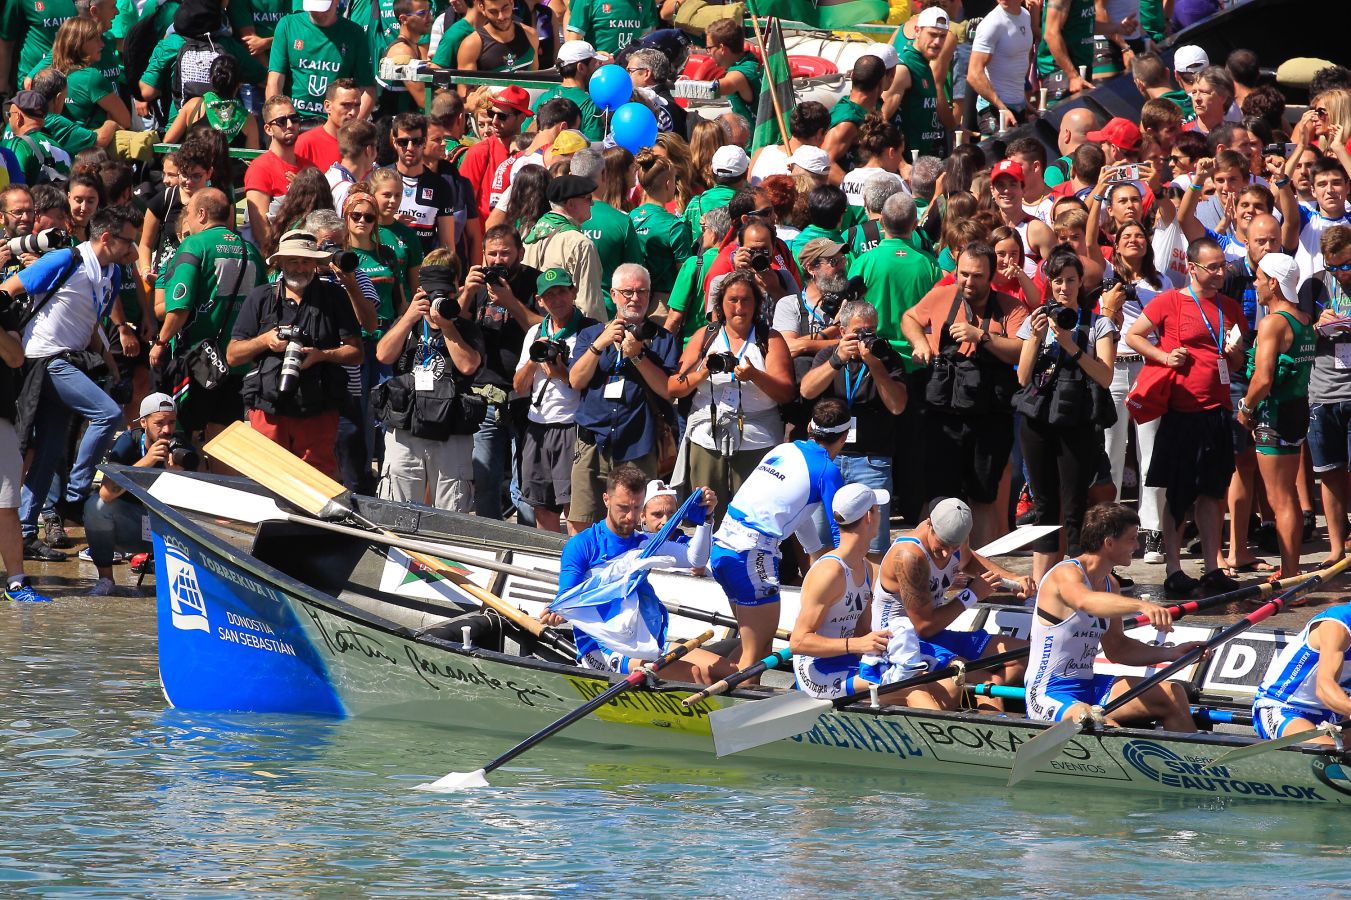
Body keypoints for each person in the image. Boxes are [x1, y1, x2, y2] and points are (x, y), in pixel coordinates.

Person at [1, 205, 139, 561]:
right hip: (43, 360)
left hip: (69, 358)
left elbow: (90, 325)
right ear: (106, 238)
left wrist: (112, 366)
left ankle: (28, 531)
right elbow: (8, 290)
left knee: (49, 450)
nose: (135, 252)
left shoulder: (108, 273)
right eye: (129, 243)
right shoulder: (66, 259)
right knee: (108, 415)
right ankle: (76, 496)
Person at [1125, 237, 1249, 595]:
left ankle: (1212, 567)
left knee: (1212, 492)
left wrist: (1235, 353)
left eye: (1223, 266)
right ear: (1192, 268)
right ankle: (1174, 569)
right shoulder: (1170, 301)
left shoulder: (1229, 306)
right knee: (1178, 493)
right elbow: (1134, 336)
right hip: (1182, 410)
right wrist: (1164, 357)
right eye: (1213, 267)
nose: (1221, 273)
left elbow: (1237, 363)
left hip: (1218, 411)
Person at [541, 464, 732, 683]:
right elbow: (567, 597)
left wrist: (707, 519)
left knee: (727, 672)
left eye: (637, 508)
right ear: (606, 499)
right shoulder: (582, 545)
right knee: (693, 675)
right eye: (623, 507)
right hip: (599, 648)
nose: (631, 517)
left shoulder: (646, 544)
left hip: (642, 640)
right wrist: (557, 611)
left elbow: (695, 559)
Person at [1025, 502, 1202, 728]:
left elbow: (1118, 649)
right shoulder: (1065, 573)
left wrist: (1171, 653)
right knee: (1098, 723)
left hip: (1089, 687)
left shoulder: (1111, 584)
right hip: (1047, 694)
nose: (1137, 546)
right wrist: (1142, 606)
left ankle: (1191, 763)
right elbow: (1085, 601)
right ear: (1109, 543)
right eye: (1131, 539)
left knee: (1173, 694)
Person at [710, 398, 850, 676]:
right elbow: (842, 534)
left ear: (810, 427)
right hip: (752, 556)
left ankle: (721, 694)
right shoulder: (827, 470)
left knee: (753, 646)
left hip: (723, 548)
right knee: (758, 653)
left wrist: (814, 556)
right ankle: (735, 708)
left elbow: (798, 512)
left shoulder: (784, 449)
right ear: (845, 437)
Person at [902, 243, 1027, 548]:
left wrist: (982, 336)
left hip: (989, 420)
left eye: (977, 276)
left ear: (991, 276)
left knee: (982, 497)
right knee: (937, 495)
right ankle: (925, 563)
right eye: (964, 275)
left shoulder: (1011, 308)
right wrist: (919, 342)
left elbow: (1022, 350)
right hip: (942, 416)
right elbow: (909, 318)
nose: (969, 282)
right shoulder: (942, 295)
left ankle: (980, 571)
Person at [1015, 247, 1118, 583]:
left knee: (1075, 507)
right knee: (1044, 505)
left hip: (1078, 421)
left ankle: (1077, 582)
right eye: (1057, 281)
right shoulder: (1038, 319)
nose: (1064, 288)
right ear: (1048, 283)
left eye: (1070, 281)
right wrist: (1036, 335)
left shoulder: (1097, 322)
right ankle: (1043, 585)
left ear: (1080, 283)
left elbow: (1105, 377)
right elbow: (1022, 377)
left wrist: (1071, 345)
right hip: (1039, 421)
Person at [226, 230, 364, 476]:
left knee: (317, 482)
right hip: (269, 408)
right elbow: (233, 355)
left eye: (306, 261)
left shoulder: (333, 296)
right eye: (293, 260)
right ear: (279, 262)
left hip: (319, 409)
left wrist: (322, 355)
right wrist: (265, 341)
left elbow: (356, 353)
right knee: (266, 478)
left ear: (315, 262)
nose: (300, 268)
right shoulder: (261, 297)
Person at [873, 497, 1031, 710]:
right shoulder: (909, 557)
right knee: (988, 684)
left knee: (1024, 655)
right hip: (903, 642)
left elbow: (968, 559)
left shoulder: (954, 537)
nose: (948, 553)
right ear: (929, 524)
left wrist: (1010, 578)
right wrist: (971, 595)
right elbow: (925, 627)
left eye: (954, 546)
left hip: (936, 634)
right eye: (942, 546)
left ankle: (972, 693)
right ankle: (981, 702)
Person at [668, 271, 794, 526]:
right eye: (732, 300)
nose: (739, 307)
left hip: (756, 439)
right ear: (720, 304)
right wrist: (703, 370)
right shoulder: (706, 335)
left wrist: (754, 375)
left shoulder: (768, 338)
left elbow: (786, 392)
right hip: (707, 438)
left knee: (753, 517)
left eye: (746, 300)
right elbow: (674, 387)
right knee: (705, 515)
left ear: (757, 303)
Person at [567, 263, 677, 529]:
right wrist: (600, 344)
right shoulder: (591, 333)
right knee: (581, 521)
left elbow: (667, 390)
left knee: (635, 521)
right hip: (593, 443)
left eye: (642, 292)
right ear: (613, 294)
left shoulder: (662, 339)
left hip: (637, 444)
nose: (635, 298)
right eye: (628, 292)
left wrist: (638, 355)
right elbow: (575, 380)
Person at [149, 189, 265, 438]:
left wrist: (160, 342)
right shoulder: (251, 251)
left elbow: (180, 306)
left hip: (197, 360)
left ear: (201, 214)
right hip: (236, 363)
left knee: (184, 434)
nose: (188, 220)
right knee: (222, 438)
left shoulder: (195, 244)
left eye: (189, 213)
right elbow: (263, 308)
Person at [800, 300, 908, 559]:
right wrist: (837, 360)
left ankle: (871, 597)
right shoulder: (828, 356)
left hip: (871, 461)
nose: (865, 339)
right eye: (858, 333)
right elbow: (806, 390)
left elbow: (897, 406)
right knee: (821, 539)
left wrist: (875, 364)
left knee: (872, 545)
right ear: (842, 332)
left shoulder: (886, 357)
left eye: (871, 331)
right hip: (828, 460)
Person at [372, 259, 484, 510]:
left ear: (454, 296)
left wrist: (447, 327)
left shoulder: (465, 328)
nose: (437, 302)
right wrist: (409, 317)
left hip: (451, 432)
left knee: (452, 512)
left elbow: (468, 366)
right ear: (420, 294)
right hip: (407, 430)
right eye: (433, 295)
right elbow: (382, 355)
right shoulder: (407, 324)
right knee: (396, 508)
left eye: (445, 295)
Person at [1236, 253, 1316, 581]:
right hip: (1297, 412)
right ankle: (1291, 566)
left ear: (1273, 282)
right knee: (1289, 496)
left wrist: (1245, 409)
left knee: (1280, 497)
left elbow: (1263, 379)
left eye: (1258, 278)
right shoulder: (1304, 319)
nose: (1254, 284)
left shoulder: (1272, 323)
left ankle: (1291, 572)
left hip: (1275, 414)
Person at [458, 224, 541, 519]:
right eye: (491, 254)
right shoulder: (478, 282)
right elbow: (452, 326)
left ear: (520, 252)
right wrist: (467, 292)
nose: (498, 260)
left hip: (526, 396)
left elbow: (543, 327)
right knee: (485, 480)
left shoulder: (534, 281)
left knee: (527, 486)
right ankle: (488, 544)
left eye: (505, 253)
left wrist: (510, 302)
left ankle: (528, 547)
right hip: (484, 395)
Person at [84, 393, 199, 596]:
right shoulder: (128, 442)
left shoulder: (181, 447)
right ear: (144, 422)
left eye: (172, 422)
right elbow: (105, 494)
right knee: (96, 507)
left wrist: (176, 477)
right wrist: (146, 463)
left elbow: (198, 507)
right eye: (159, 423)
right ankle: (106, 579)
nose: (167, 430)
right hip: (131, 525)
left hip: (165, 529)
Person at [790, 484, 896, 700]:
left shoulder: (864, 567)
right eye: (878, 509)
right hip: (815, 670)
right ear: (869, 516)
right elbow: (798, 642)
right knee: (905, 688)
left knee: (922, 676)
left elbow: (863, 631)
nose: (880, 515)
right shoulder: (830, 572)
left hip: (843, 660)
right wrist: (856, 644)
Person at [514, 267, 597, 533]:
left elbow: (585, 383)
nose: (557, 300)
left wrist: (561, 372)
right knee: (542, 509)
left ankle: (576, 568)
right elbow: (519, 386)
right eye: (549, 295)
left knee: (575, 511)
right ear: (539, 300)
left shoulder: (590, 331)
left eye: (562, 292)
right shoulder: (534, 333)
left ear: (573, 292)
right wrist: (535, 357)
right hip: (537, 426)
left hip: (571, 428)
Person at [851, 194, 942, 367]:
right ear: (915, 225)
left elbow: (849, 310)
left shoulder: (863, 262)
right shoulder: (929, 264)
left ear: (882, 223)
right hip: (918, 358)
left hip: (875, 358)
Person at [1307, 226, 1351, 566]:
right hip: (1324, 391)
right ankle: (1337, 548)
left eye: (1346, 264)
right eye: (1333, 266)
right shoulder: (1315, 284)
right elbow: (1296, 331)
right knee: (1330, 472)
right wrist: (1315, 324)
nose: (1340, 272)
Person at [0, 286, 47, 601]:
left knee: (6, 505)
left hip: (0, 419)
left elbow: (16, 358)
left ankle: (16, 581)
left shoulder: (3, 309)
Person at [1251, 599, 1351, 742]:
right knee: (1329, 754)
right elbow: (1324, 689)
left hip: (1333, 714)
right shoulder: (1337, 626)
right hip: (1283, 707)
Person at [266, 0, 376, 122]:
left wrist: (351, 130)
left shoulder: (354, 33)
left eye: (323, 8)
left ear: (336, 2)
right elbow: (274, 81)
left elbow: (368, 89)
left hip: (334, 124)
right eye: (313, 8)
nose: (317, 13)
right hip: (294, 122)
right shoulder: (288, 25)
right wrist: (277, 122)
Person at [522, 174, 605, 322]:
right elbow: (589, 303)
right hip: (569, 332)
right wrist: (598, 338)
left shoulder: (530, 235)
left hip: (534, 326)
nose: (592, 204)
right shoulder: (580, 243)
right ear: (571, 204)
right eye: (588, 198)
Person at [885, 5, 949, 157]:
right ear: (917, 31)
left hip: (922, 160)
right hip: (904, 164)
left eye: (943, 36)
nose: (937, 42)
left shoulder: (924, 64)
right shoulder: (904, 68)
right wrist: (900, 164)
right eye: (932, 34)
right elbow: (879, 121)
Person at [243, 96, 307, 249]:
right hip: (277, 259)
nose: (290, 125)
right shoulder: (260, 167)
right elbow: (261, 230)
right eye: (282, 121)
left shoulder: (309, 166)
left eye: (294, 118)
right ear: (268, 129)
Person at [629, 150, 692, 303]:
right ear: (668, 184)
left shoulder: (628, 218)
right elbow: (685, 277)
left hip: (630, 298)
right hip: (663, 303)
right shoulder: (675, 226)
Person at [967, 0, 1035, 134]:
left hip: (1018, 105)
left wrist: (1024, 99)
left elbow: (1020, 59)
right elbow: (973, 74)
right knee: (996, 153)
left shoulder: (1026, 16)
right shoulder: (992, 23)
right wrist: (1001, 107)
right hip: (992, 108)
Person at [535, 40, 604, 142]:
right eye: (594, 64)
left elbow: (526, 136)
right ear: (581, 67)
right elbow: (593, 149)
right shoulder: (590, 105)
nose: (597, 69)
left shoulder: (542, 98)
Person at [296, 79, 363, 172]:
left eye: (357, 105)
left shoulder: (364, 145)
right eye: (346, 105)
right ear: (327, 106)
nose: (353, 112)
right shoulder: (304, 145)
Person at [455, 0, 538, 72]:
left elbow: (536, 80)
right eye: (493, 11)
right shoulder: (471, 46)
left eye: (505, 8)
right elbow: (465, 89)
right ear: (482, 8)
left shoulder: (530, 34)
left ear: (512, 3)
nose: (501, 17)